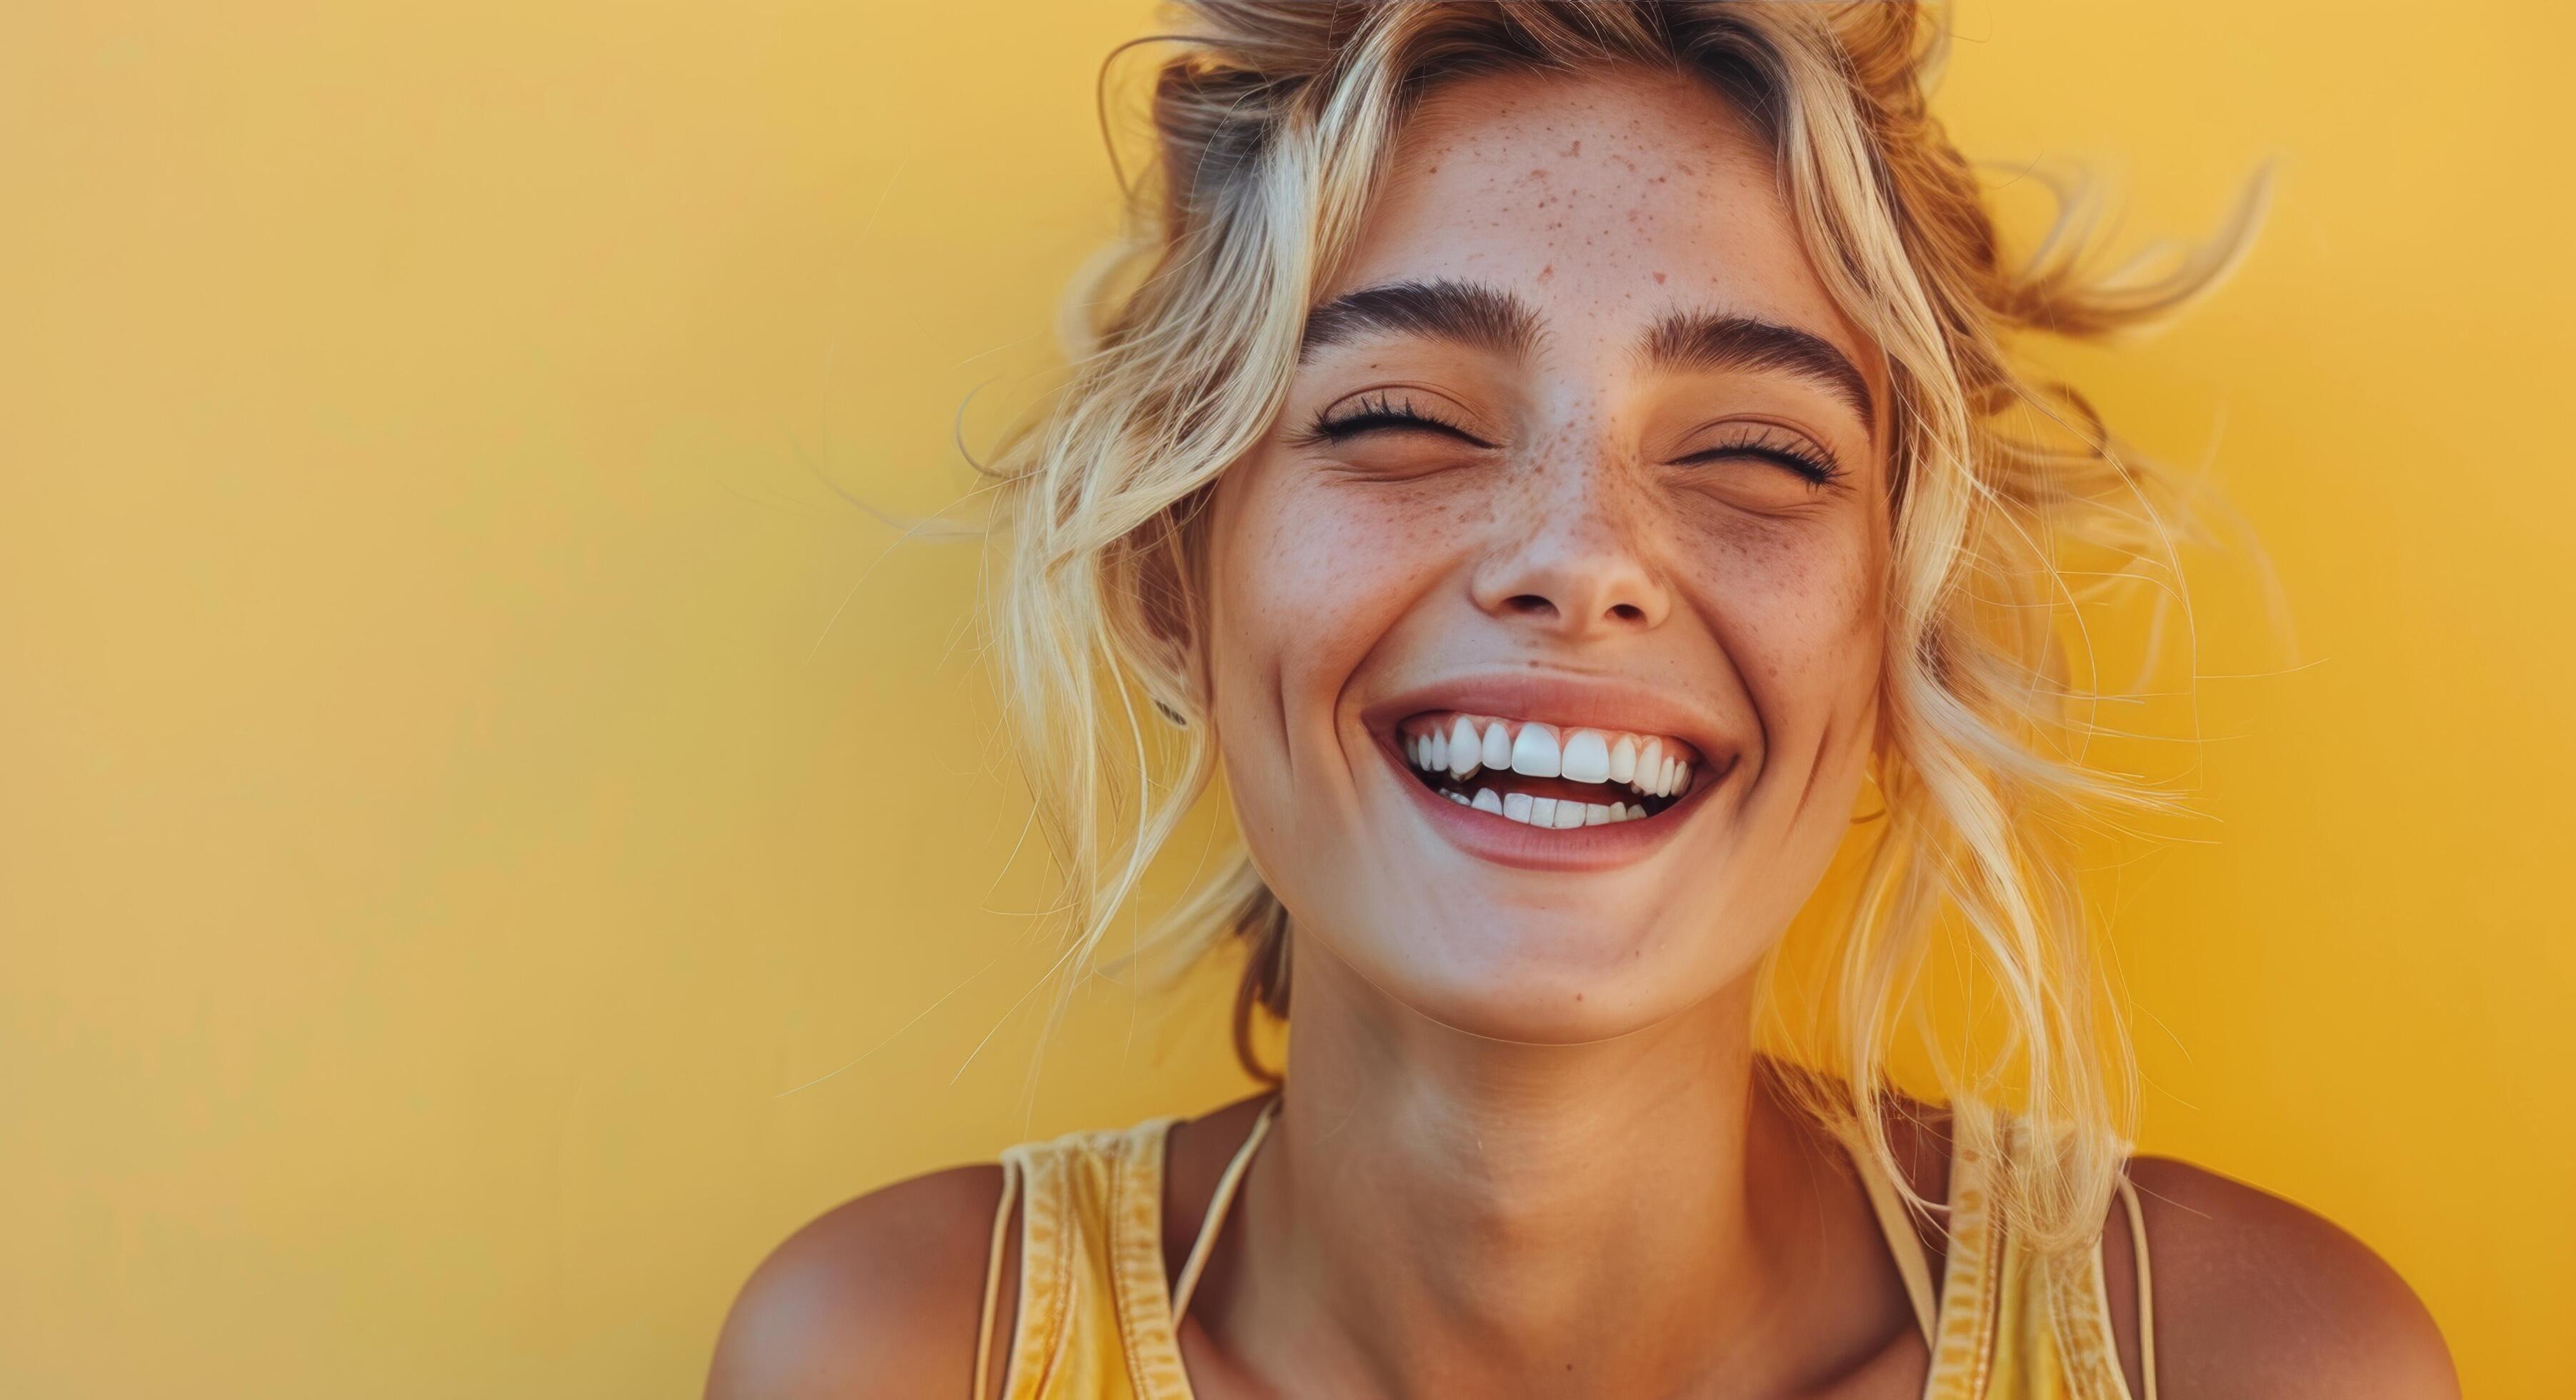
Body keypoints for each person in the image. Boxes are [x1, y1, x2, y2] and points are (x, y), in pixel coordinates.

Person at [708, 4, 2455, 1396]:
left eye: (1762, 453)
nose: (1579, 557)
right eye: (1399, 419)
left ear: (1896, 644)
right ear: (1177, 577)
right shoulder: (900, 1355)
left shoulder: (2248, 1364)